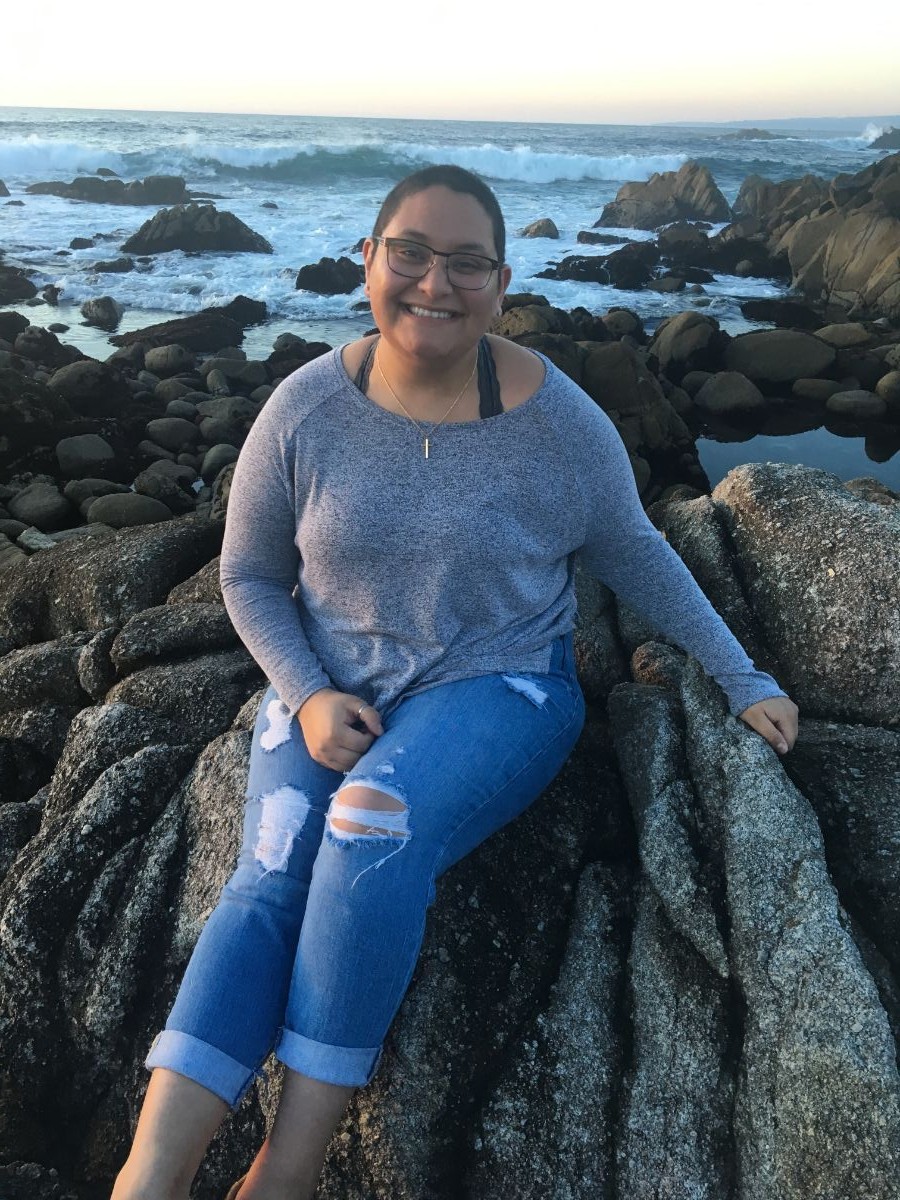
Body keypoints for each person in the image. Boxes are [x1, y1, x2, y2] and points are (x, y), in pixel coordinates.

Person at [111, 164, 798, 1200]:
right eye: (411, 254)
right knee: (266, 878)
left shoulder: (559, 423)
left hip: (501, 685)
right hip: (328, 683)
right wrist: (303, 690)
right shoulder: (303, 410)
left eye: (467, 262)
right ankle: (148, 1177)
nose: (435, 283)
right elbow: (248, 575)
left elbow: (635, 549)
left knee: (368, 825)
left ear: (501, 280)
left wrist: (741, 674)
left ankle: (284, 1175)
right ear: (368, 260)